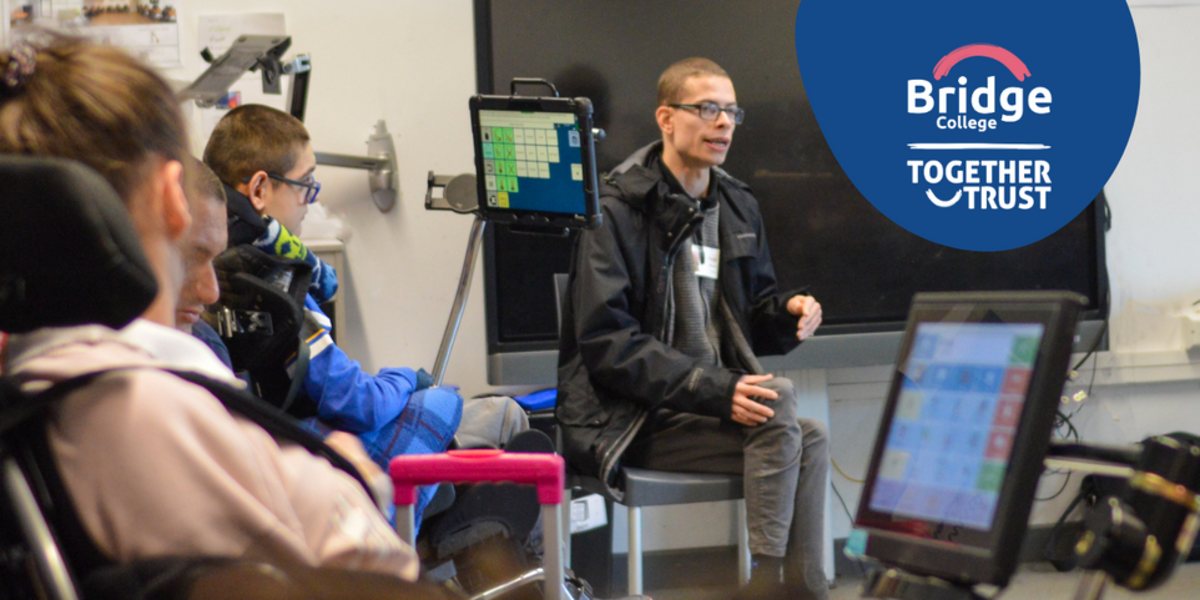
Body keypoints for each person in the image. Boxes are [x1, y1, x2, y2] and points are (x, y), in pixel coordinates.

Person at [0, 34, 418, 580]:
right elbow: (371, 575)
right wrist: (357, 479)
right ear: (173, 196)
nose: (211, 292)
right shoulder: (147, 409)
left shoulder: (32, 388)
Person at [556, 57, 830, 599]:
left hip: (704, 407)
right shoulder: (614, 210)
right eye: (707, 109)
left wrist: (789, 316)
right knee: (783, 411)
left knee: (812, 436)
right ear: (666, 118)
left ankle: (807, 590)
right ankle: (769, 586)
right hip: (630, 419)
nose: (723, 123)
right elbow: (607, 344)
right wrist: (716, 389)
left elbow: (753, 316)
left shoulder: (737, 203)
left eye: (731, 112)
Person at [201, 105, 466, 528]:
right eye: (305, 183)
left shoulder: (219, 256)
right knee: (441, 401)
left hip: (262, 450)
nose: (314, 196)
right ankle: (395, 542)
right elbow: (360, 404)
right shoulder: (274, 283)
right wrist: (407, 378)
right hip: (298, 456)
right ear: (259, 190)